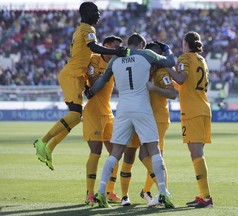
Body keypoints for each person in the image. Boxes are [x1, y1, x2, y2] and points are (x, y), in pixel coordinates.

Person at [85, 33, 176, 208]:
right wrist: (167, 49)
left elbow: (102, 81)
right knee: (153, 149)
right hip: (142, 106)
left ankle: (101, 193)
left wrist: (90, 92)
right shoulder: (145, 55)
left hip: (123, 108)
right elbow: (170, 62)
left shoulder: (115, 60)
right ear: (141, 45)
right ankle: (163, 192)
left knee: (116, 152)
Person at [33, 1, 127, 170]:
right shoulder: (87, 29)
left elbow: (84, 54)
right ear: (87, 12)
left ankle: (49, 148)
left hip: (76, 76)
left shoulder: (81, 29)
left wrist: (85, 86)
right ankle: (43, 141)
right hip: (71, 75)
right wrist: (115, 52)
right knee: (76, 114)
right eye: (96, 11)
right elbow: (93, 47)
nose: (98, 14)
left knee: (76, 116)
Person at [119, 42, 177, 207]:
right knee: (150, 157)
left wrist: (153, 88)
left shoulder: (160, 72)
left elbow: (173, 93)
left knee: (149, 156)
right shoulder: (145, 71)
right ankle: (156, 192)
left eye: (152, 54)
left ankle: (163, 191)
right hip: (146, 119)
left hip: (158, 119)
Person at [165, 31, 213, 208]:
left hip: (192, 111)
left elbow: (181, 77)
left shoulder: (184, 58)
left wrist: (166, 66)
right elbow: (184, 83)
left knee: (196, 155)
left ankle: (206, 197)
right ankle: (204, 195)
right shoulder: (201, 60)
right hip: (203, 109)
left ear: (186, 43)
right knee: (198, 154)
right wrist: (173, 78)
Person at [83, 35, 123, 206]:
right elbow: (93, 82)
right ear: (106, 46)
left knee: (115, 153)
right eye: (114, 47)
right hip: (93, 112)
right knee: (96, 152)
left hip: (108, 112)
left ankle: (110, 191)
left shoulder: (116, 62)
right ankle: (90, 194)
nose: (117, 51)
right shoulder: (94, 59)